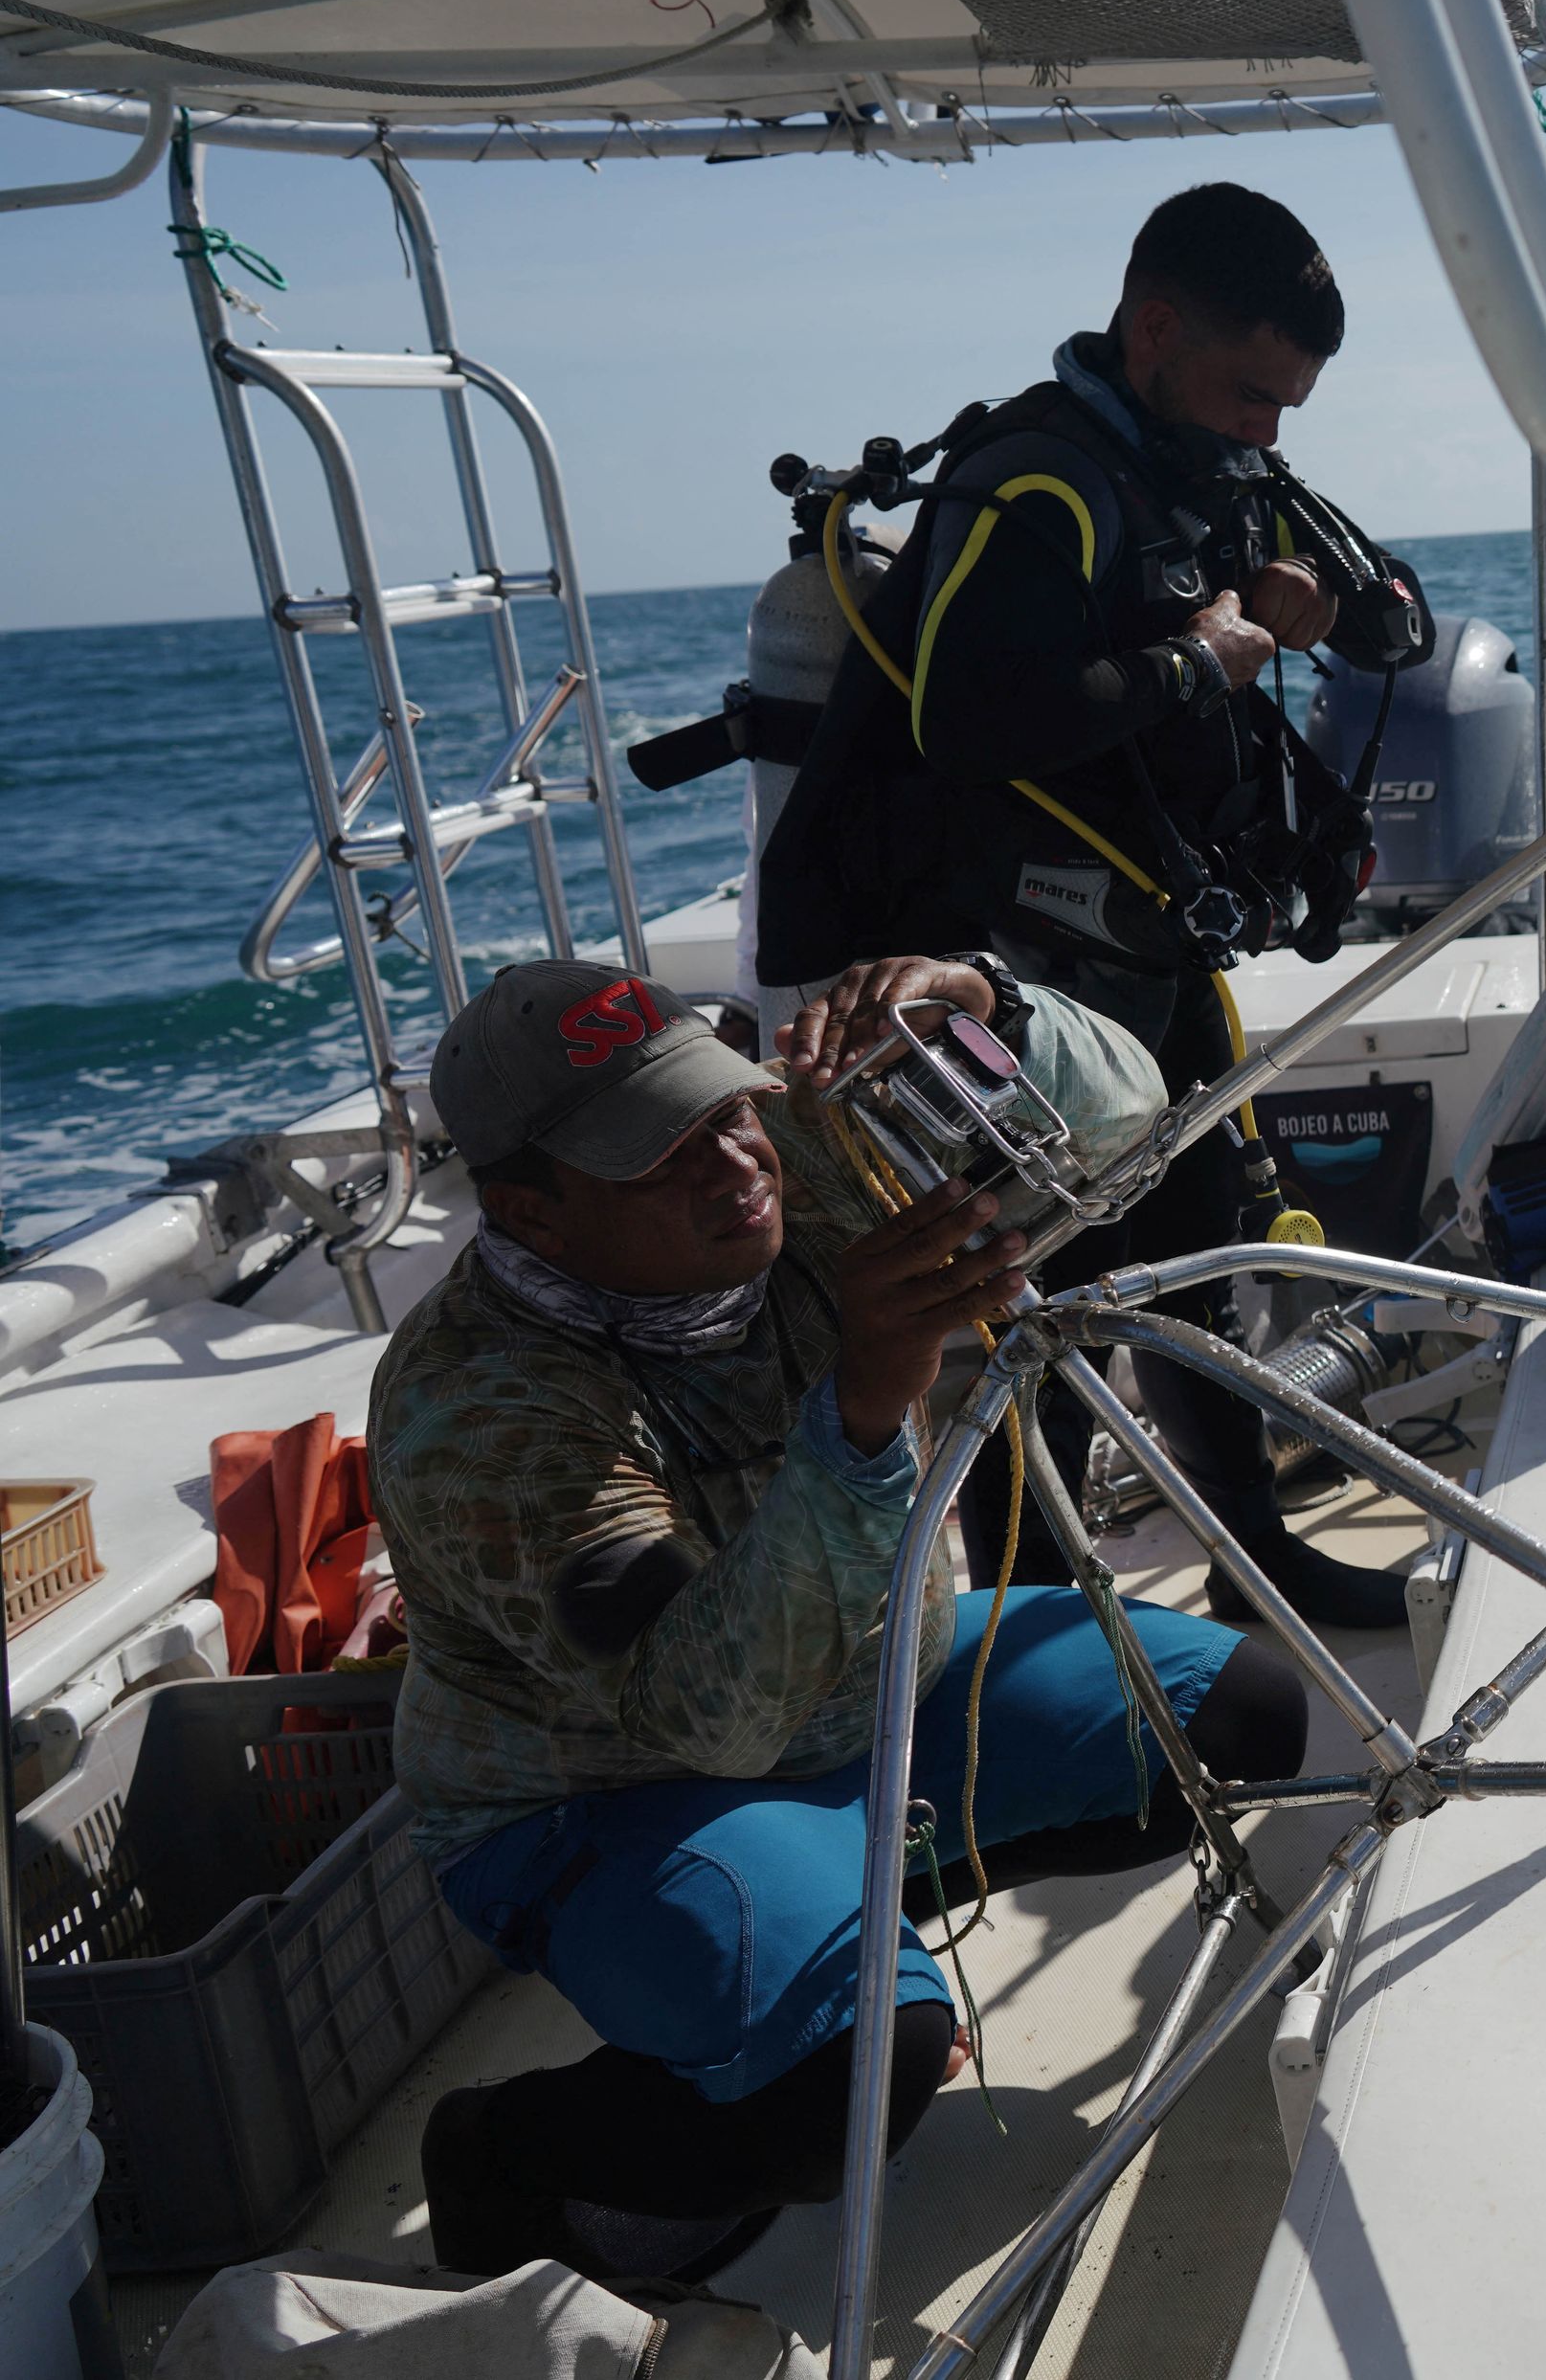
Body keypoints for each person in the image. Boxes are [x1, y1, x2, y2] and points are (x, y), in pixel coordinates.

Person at [381, 953, 1313, 2282]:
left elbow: (1124, 1131)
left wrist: (991, 1006)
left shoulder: (805, 1159)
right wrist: (866, 1410)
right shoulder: (480, 1411)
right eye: (662, 1156)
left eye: (723, 1108)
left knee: (1235, 1720)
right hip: (613, 1791)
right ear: (534, 1215)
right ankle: (505, 2151)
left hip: (879, 1683)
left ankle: (840, 1934)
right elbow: (713, 1717)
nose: (735, 1164)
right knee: (858, 2073)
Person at [758, 181, 1433, 1628]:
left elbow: (1399, 618)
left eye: (1291, 405)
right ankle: (1039, 1624)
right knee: (1040, 1293)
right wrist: (1204, 659)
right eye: (1254, 392)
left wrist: (1319, 598)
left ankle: (1251, 1562)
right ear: (1155, 327)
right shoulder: (1039, 481)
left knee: (1195, 1257)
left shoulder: (1216, 466)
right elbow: (967, 723)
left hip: (1145, 936)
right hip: (991, 962)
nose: (1271, 429)